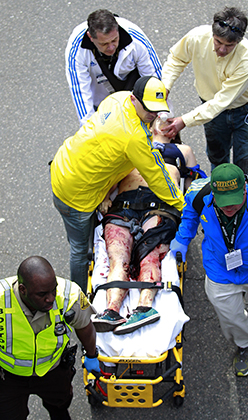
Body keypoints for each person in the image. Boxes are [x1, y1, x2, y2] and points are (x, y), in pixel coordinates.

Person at [50, 76, 183, 292]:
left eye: (157, 110)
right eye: (148, 109)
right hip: (75, 194)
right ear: (134, 99)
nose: (153, 115)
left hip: (65, 163)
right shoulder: (134, 137)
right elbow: (157, 176)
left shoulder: (118, 99)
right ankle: (77, 301)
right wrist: (181, 206)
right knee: (81, 250)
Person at [170, 163, 248, 377]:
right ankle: (245, 344)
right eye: (222, 202)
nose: (228, 207)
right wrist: (182, 238)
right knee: (229, 316)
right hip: (220, 270)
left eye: (233, 200)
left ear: (245, 189)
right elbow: (190, 212)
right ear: (213, 192)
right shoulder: (198, 192)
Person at [94, 115, 205, 335]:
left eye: (170, 119)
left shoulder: (183, 151)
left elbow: (194, 184)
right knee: (118, 258)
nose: (164, 121)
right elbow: (114, 174)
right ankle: (111, 311)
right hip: (124, 204)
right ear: (150, 123)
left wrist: (188, 211)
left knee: (150, 255)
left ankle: (144, 307)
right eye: (160, 118)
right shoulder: (135, 141)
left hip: (160, 206)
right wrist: (105, 196)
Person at [161, 6, 248, 178]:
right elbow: (177, 59)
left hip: (246, 111)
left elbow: (222, 101)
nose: (222, 50)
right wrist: (165, 86)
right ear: (212, 33)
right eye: (218, 42)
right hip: (210, 108)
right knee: (217, 159)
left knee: (246, 168)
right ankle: (219, 199)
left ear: (239, 41)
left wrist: (184, 121)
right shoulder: (196, 37)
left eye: (229, 45)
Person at [0, 256, 100, 420]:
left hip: (53, 371)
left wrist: (91, 355)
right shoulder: (2, 299)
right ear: (23, 290)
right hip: (10, 376)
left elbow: (85, 328)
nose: (51, 298)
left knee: (59, 407)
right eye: (42, 294)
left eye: (53, 290)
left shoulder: (70, 296)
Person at [66, 9, 162, 126]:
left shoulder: (136, 39)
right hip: (102, 101)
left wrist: (161, 121)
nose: (111, 47)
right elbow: (80, 92)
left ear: (117, 28)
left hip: (134, 93)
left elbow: (155, 80)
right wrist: (90, 131)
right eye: (104, 44)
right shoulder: (76, 51)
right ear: (90, 37)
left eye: (114, 40)